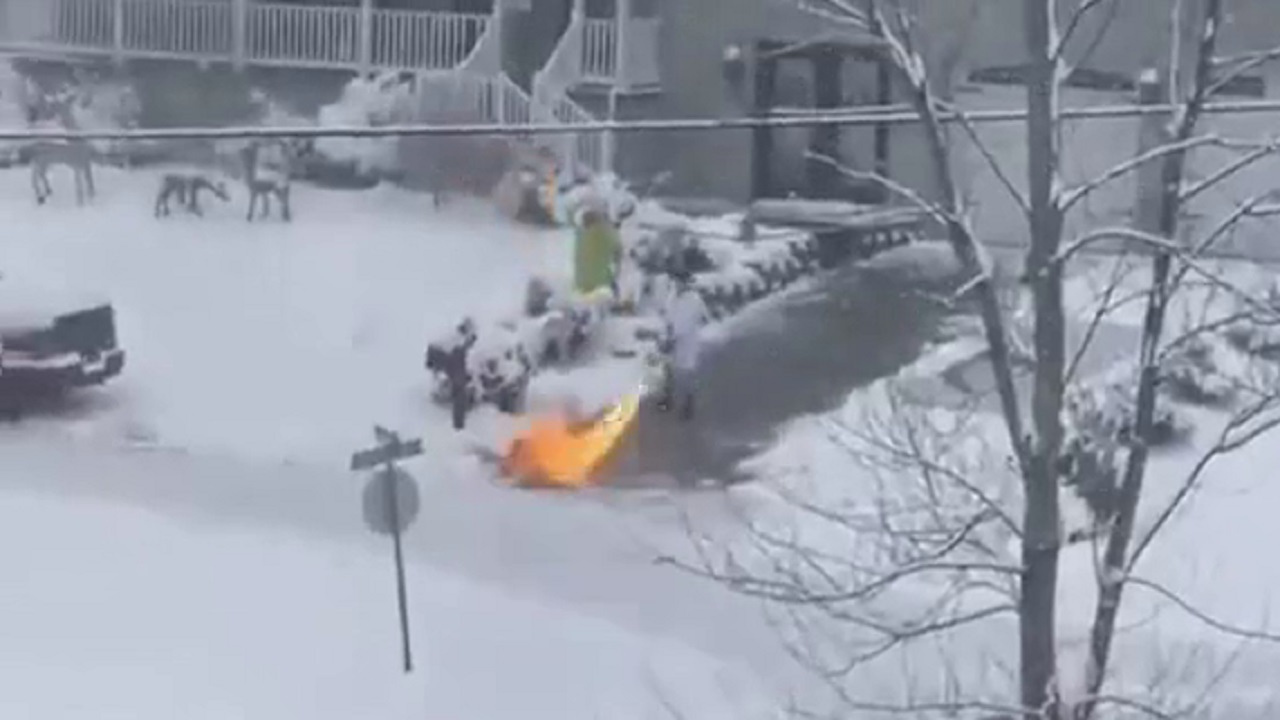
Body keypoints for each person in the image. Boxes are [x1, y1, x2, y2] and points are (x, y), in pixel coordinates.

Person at [659, 261, 710, 421]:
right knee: (668, 369)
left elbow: (688, 321)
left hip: (687, 340)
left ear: (685, 282)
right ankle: (668, 399)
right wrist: (666, 332)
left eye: (679, 281)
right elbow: (668, 314)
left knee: (686, 372)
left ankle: (689, 404)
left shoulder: (693, 299)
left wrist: (673, 337)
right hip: (670, 336)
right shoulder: (673, 295)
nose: (676, 284)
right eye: (675, 281)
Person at [573, 204, 622, 298]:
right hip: (602, 284)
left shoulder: (580, 235)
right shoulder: (605, 234)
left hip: (581, 285)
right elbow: (618, 253)